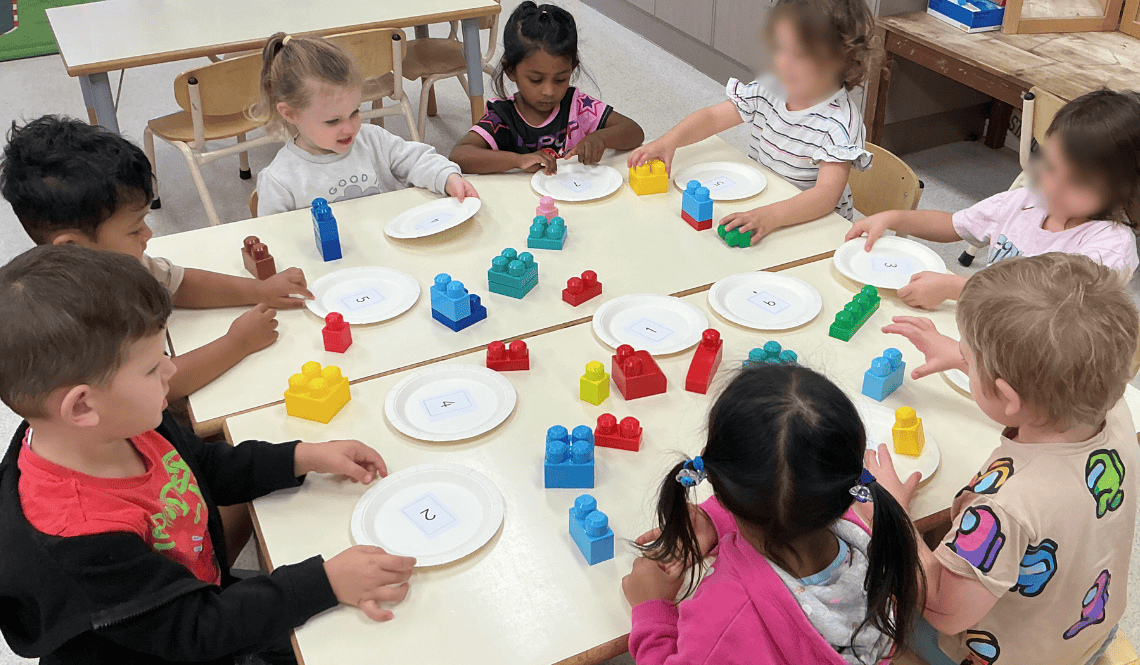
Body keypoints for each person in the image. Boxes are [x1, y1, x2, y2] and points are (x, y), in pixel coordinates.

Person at [0, 244, 416, 665]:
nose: (170, 371)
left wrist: (300, 457)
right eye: (151, 367)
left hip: (198, 600)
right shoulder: (81, 540)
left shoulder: (119, 422)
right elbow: (195, 630)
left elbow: (202, 466)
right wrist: (322, 582)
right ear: (82, 406)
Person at [870, 252, 1138, 665]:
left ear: (1008, 395)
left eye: (969, 358)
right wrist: (966, 359)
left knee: (867, 591)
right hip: (1086, 635)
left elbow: (945, 610)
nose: (964, 357)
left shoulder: (1005, 509)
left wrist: (893, 511)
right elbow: (1061, 378)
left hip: (998, 654)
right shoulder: (1112, 408)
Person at [623, 364, 924, 665]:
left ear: (716, 481)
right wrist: (715, 522)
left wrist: (652, 610)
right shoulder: (872, 540)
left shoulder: (726, 616)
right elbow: (789, 494)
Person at [0, 115, 305, 401]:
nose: (148, 236)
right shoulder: (71, 320)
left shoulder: (108, 262)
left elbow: (177, 284)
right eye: (134, 230)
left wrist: (257, 291)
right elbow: (160, 386)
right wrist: (237, 343)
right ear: (71, 247)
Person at [846, 90, 1140, 309]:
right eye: (1050, 166)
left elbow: (1050, 310)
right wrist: (894, 218)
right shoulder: (1027, 201)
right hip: (982, 321)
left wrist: (958, 288)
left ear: (1124, 190)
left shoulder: (1110, 248)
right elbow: (954, 224)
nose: (1054, 187)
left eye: (1077, 182)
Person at [628, 0, 875, 243]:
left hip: (813, 227)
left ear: (841, 60)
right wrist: (669, 142)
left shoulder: (840, 123)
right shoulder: (771, 88)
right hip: (766, 203)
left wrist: (770, 216)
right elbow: (712, 118)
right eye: (779, 48)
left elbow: (824, 196)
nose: (783, 63)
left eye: (799, 54)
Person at [254, 32, 478, 216]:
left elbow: (418, 160)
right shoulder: (280, 181)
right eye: (333, 121)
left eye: (354, 112)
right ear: (290, 113)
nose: (350, 127)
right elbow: (276, 242)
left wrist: (447, 177)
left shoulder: (373, 140)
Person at [449, 2, 644, 175]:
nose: (549, 91)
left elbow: (634, 132)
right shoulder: (502, 117)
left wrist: (600, 138)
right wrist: (519, 160)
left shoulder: (578, 106)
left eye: (560, 79)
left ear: (572, 70)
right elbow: (460, 155)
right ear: (511, 70)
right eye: (536, 80)